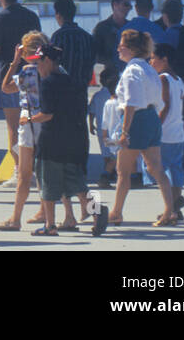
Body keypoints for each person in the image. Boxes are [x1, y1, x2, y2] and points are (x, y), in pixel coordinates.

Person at [28, 44, 108, 236]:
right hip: (72, 139)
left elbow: (47, 114)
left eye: (38, 62)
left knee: (47, 182)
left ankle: (49, 225)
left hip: (51, 141)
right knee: (76, 182)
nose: (37, 67)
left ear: (48, 60)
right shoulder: (71, 81)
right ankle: (97, 211)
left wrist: (28, 119)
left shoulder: (47, 83)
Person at [109, 30, 177, 228]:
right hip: (152, 117)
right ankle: (169, 210)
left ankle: (116, 212)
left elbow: (131, 102)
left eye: (121, 46)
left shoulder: (131, 71)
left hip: (136, 119)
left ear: (130, 49)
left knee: (123, 170)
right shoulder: (148, 69)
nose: (118, 49)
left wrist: (124, 131)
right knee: (156, 168)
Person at [0, 0, 41, 185]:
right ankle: (34, 168)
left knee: (13, 126)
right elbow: (40, 45)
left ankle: (20, 171)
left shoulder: (0, 18)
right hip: (33, 74)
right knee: (33, 123)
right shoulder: (32, 16)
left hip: (8, 75)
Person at [0, 31, 46, 231]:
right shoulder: (48, 69)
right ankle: (45, 210)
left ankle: (16, 217)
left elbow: (6, 87)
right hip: (47, 121)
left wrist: (14, 62)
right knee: (44, 171)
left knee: (25, 174)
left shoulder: (27, 72)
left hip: (29, 121)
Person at [154, 0, 184, 179]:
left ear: (165, 16)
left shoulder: (164, 38)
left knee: (170, 124)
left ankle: (174, 163)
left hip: (172, 84)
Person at [148, 43, 184, 221]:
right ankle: (176, 205)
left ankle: (170, 208)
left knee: (158, 171)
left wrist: (155, 126)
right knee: (175, 170)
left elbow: (165, 105)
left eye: (153, 58)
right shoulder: (178, 79)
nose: (151, 62)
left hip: (165, 132)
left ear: (164, 59)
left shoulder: (163, 78)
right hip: (178, 130)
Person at [50, 0, 94, 89]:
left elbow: (52, 64)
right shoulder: (87, 37)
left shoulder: (58, 36)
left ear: (58, 15)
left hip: (63, 90)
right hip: (82, 89)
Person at [91, 68, 120, 187]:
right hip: (115, 132)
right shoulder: (117, 100)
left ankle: (108, 173)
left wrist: (90, 125)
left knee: (106, 154)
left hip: (102, 131)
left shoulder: (97, 95)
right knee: (115, 155)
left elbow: (92, 111)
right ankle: (106, 175)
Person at [92, 0, 132, 77]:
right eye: (126, 5)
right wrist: (112, 62)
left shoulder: (131, 27)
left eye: (130, 6)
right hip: (109, 75)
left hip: (129, 73)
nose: (128, 8)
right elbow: (95, 53)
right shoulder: (102, 28)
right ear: (115, 5)